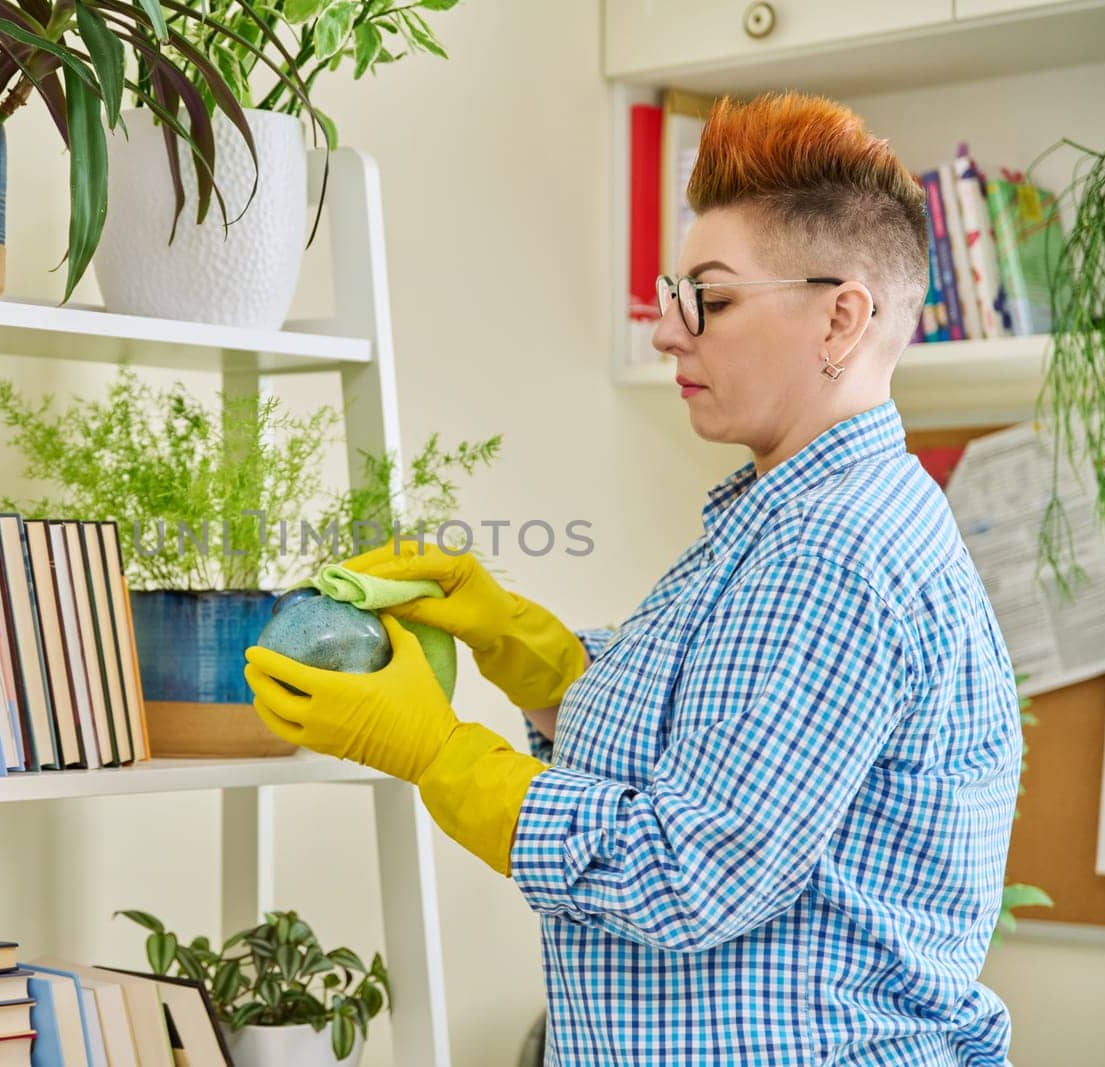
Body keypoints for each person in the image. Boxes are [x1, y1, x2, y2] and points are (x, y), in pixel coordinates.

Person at [243, 92, 1022, 1066]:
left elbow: (690, 865)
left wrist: (442, 755)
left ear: (841, 316)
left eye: (713, 298)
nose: (667, 333)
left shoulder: (831, 557)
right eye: (672, 295)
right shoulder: (779, 520)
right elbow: (700, 745)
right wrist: (522, 648)